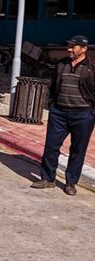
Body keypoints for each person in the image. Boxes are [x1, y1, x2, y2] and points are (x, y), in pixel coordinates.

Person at [31, 35, 95, 196]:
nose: (69, 49)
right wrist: (52, 105)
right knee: (51, 146)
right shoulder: (61, 65)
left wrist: (92, 113)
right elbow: (53, 86)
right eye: (69, 46)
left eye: (73, 47)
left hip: (83, 115)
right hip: (59, 113)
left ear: (84, 49)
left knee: (78, 150)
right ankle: (47, 179)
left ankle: (71, 183)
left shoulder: (91, 68)